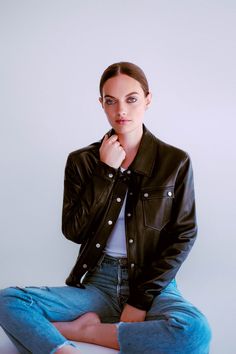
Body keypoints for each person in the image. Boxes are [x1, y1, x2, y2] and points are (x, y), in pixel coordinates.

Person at [0, 62, 211, 354]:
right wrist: (105, 173)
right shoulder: (82, 161)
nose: (121, 110)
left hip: (153, 282)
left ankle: (89, 331)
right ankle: (65, 351)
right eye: (111, 101)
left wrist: (140, 300)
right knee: (8, 301)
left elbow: (183, 235)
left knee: (194, 333)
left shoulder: (175, 161)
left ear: (148, 99)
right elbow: (74, 231)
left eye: (131, 99)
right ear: (101, 104)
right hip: (100, 282)